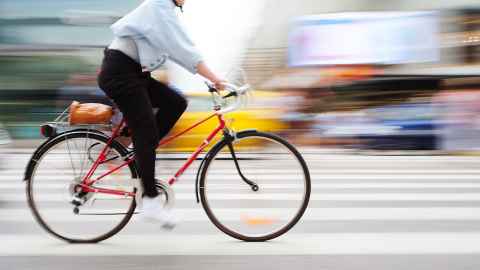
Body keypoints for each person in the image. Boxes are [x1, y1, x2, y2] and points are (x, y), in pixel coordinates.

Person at [97, 0, 225, 228]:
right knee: (145, 132)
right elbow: (183, 49)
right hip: (121, 74)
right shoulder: (159, 6)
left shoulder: (166, 11)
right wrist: (215, 78)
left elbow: (177, 49)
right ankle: (150, 202)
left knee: (176, 103)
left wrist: (207, 77)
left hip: (134, 74)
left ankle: (142, 149)